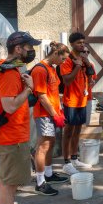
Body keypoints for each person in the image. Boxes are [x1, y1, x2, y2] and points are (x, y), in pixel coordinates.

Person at [0, 31, 41, 204]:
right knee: (9, 186)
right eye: (30, 47)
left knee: (3, 182)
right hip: (12, 138)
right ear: (18, 48)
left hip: (7, 136)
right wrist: (29, 88)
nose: (32, 51)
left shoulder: (5, 67)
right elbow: (9, 105)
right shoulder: (10, 73)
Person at [30, 41, 71, 196]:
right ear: (55, 54)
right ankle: (40, 182)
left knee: (51, 143)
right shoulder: (40, 70)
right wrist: (55, 114)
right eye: (63, 58)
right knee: (43, 146)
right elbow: (41, 96)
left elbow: (53, 93)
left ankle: (48, 173)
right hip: (44, 114)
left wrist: (59, 112)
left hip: (52, 112)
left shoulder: (51, 69)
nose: (64, 62)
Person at [60, 32, 96, 175]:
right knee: (68, 132)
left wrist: (86, 65)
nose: (82, 45)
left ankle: (75, 158)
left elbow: (91, 73)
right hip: (71, 101)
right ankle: (66, 162)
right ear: (72, 44)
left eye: (83, 42)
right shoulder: (68, 60)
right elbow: (67, 81)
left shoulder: (83, 58)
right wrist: (77, 66)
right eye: (79, 43)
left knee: (78, 130)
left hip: (82, 100)